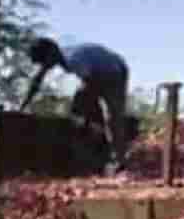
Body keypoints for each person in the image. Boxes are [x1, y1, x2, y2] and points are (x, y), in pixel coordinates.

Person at [18, 38, 131, 172]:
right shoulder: (59, 55)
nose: (44, 66)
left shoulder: (73, 60)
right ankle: (98, 134)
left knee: (112, 118)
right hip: (98, 69)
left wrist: (90, 116)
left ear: (50, 55)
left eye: (43, 62)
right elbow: (37, 81)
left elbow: (92, 83)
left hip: (114, 70)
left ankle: (120, 160)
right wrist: (22, 106)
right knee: (81, 105)